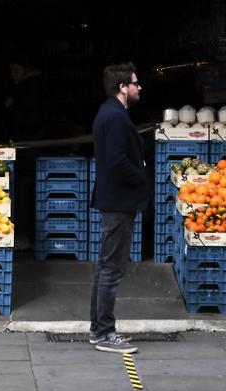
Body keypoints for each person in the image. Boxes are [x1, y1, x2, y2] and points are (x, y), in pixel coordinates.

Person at [90, 62, 148, 353]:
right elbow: (116, 161)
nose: (139, 88)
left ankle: (98, 329)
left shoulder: (112, 113)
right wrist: (141, 176)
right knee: (112, 268)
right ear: (123, 88)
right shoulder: (114, 116)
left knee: (106, 266)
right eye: (135, 83)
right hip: (117, 201)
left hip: (114, 200)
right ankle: (104, 333)